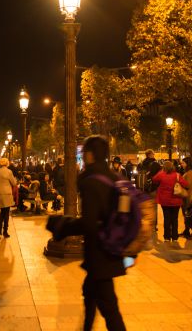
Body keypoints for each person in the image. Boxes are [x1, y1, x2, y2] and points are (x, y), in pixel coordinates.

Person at [46, 136, 126, 331]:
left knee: (109, 307)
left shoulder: (92, 182)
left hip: (100, 253)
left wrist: (61, 225)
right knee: (90, 293)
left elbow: (89, 223)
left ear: (89, 155)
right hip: (113, 246)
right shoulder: (116, 179)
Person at [153, 161, 189, 242]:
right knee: (175, 218)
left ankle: (167, 237)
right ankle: (175, 236)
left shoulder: (161, 174)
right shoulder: (177, 175)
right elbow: (186, 184)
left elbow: (154, 179)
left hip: (164, 201)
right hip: (176, 200)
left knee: (166, 218)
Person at [0, 157, 17, 238]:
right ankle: (5, 231)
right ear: (7, 163)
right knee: (6, 213)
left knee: (2, 212)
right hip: (6, 194)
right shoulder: (9, 172)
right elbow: (14, 183)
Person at [180, 157, 192, 238]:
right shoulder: (190, 172)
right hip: (187, 196)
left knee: (189, 214)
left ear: (188, 164)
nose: (182, 165)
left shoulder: (190, 173)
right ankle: (186, 230)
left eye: (183, 163)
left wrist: (180, 183)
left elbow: (188, 184)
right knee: (187, 214)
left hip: (188, 196)